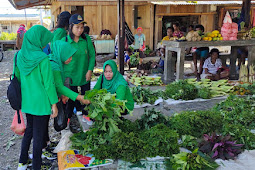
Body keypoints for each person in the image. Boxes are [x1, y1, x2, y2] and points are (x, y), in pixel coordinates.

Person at [15, 25, 58, 170]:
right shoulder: (42, 59)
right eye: (44, 41)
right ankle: (36, 166)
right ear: (37, 40)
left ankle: (22, 161)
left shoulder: (19, 56)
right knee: (39, 137)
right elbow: (49, 84)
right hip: (41, 103)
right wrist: (54, 104)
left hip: (27, 102)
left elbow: (18, 78)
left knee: (30, 131)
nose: (46, 44)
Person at [62, 14, 95, 118]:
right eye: (77, 27)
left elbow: (92, 56)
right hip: (70, 77)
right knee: (71, 103)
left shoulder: (86, 40)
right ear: (71, 27)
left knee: (86, 101)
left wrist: (90, 70)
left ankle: (87, 120)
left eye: (81, 27)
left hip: (84, 75)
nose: (80, 30)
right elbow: (57, 59)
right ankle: (70, 123)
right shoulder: (65, 41)